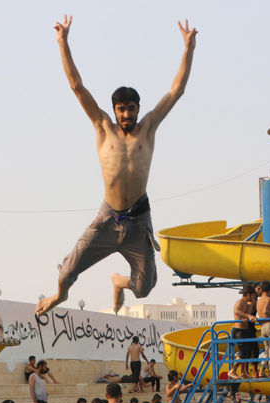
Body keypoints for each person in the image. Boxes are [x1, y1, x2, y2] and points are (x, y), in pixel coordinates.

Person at [38, 15, 198, 315]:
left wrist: (188, 48)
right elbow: (76, 86)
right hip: (107, 218)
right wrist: (63, 42)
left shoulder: (148, 127)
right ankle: (58, 296)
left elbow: (176, 91)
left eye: (131, 109)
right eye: (121, 109)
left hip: (138, 219)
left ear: (138, 109)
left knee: (143, 287)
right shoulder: (103, 127)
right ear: (114, 110)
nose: (126, 115)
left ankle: (118, 282)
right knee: (67, 272)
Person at [230, 285, 259, 378]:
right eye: (252, 296)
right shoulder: (240, 301)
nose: (253, 297)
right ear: (248, 294)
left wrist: (251, 306)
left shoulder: (247, 303)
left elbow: (248, 313)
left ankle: (242, 372)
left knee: (246, 352)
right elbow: (237, 311)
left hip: (244, 330)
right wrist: (248, 316)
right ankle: (232, 370)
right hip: (239, 331)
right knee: (243, 352)